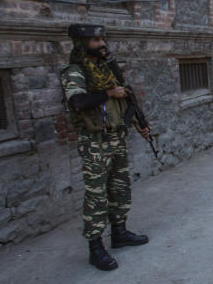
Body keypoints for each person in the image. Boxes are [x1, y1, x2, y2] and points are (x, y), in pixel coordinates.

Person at [60, 24, 150, 271]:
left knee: (120, 187)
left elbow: (124, 100)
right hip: (95, 141)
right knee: (97, 195)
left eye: (102, 39)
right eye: (95, 40)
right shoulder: (75, 72)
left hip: (117, 137)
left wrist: (137, 122)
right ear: (81, 43)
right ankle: (95, 248)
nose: (102, 44)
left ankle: (119, 233)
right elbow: (77, 102)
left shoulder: (107, 69)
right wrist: (110, 92)